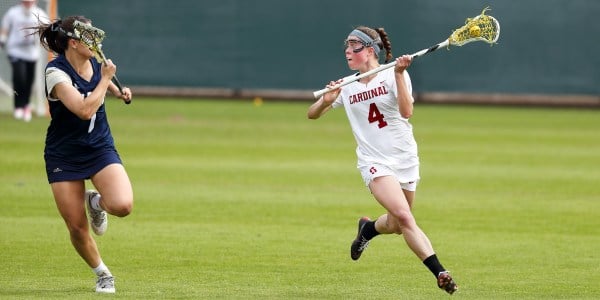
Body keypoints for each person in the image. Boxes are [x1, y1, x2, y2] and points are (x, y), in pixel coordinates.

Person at [307, 26, 458, 294]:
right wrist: (325, 101)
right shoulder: (347, 85)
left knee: (397, 225)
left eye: (353, 45)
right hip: (373, 161)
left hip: (405, 158)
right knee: (405, 217)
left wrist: (399, 73)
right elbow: (312, 114)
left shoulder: (393, 74)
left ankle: (367, 230)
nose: (347, 51)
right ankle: (440, 272)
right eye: (346, 46)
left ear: (369, 50)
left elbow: (407, 111)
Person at [31, 16, 133, 293]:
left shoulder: (92, 64)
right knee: (76, 226)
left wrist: (118, 91)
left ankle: (96, 203)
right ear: (74, 43)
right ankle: (103, 274)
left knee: (123, 205)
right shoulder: (55, 73)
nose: (94, 41)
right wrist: (107, 79)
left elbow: (100, 82)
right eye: (87, 36)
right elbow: (84, 109)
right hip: (64, 154)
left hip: (99, 146)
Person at [0, 0, 48, 121]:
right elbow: (5, 28)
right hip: (15, 51)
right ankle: (18, 106)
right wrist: (3, 40)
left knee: (28, 81)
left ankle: (26, 105)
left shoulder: (40, 14)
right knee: (19, 78)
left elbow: (47, 31)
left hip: (32, 53)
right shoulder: (13, 13)